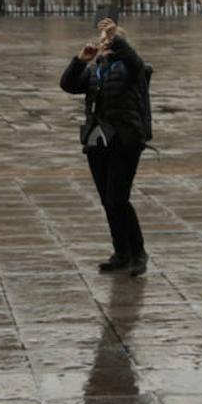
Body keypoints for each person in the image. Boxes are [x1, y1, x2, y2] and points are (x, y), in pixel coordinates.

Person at [60, 18, 149, 278]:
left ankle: (138, 253)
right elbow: (67, 85)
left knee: (118, 200)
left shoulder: (131, 68)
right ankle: (121, 253)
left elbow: (135, 62)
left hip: (125, 140)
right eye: (102, 41)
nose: (103, 45)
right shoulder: (95, 70)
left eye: (107, 41)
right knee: (107, 201)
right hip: (98, 141)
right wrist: (80, 61)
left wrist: (116, 38)